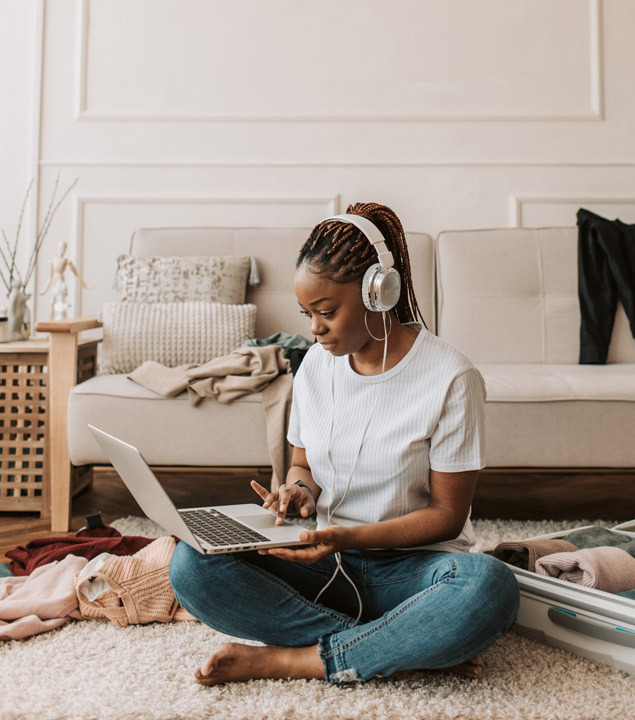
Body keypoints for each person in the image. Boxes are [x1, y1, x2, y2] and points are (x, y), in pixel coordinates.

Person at [169, 202, 519, 686]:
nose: (314, 328)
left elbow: (446, 515)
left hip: (413, 574)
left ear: (380, 293)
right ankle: (403, 647)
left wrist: (348, 537)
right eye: (307, 313)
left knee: (488, 586)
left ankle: (294, 660)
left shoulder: (451, 376)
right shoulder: (315, 365)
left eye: (327, 312)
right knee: (191, 563)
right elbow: (301, 466)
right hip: (325, 564)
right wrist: (298, 493)